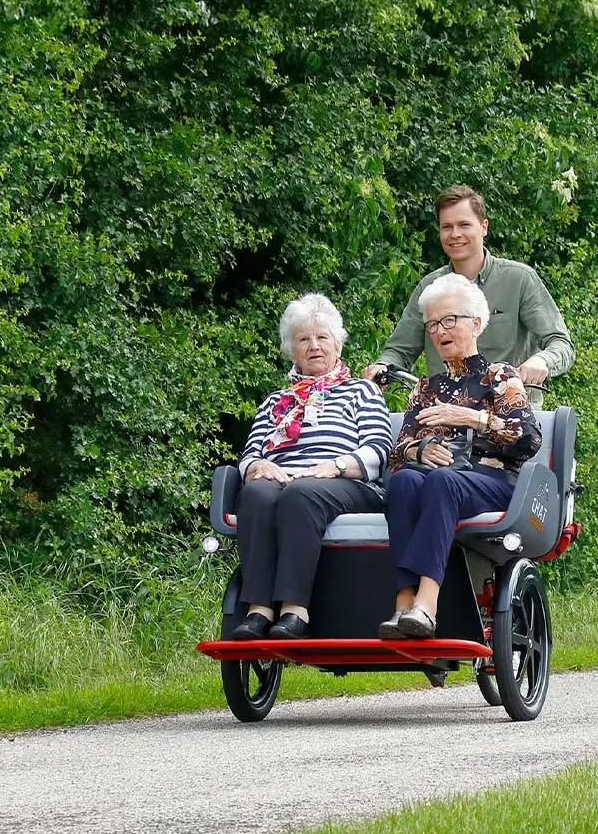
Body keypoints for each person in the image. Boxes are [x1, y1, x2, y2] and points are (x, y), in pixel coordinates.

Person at [378, 273, 542, 639]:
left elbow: (528, 438)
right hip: (440, 484)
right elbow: (396, 455)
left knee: (441, 481)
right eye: (433, 324)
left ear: (478, 323)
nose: (440, 331)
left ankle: (427, 604)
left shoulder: (500, 376)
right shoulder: (425, 387)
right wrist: (421, 449)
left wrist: (472, 418)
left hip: (494, 482)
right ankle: (404, 601)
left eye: (450, 320)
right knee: (405, 480)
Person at [232, 293, 393, 641]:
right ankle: (258, 610)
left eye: (322, 338)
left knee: (302, 493)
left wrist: (333, 466)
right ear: (293, 351)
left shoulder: (361, 392)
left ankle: (294, 609)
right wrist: (258, 466)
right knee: (257, 493)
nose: (314, 346)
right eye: (304, 339)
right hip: (284, 479)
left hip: (346, 483)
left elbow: (379, 450)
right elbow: (250, 455)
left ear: (337, 344)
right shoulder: (277, 401)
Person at [363, 184, 574, 407]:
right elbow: (399, 350)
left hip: (508, 416)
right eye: (447, 227)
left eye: (464, 225)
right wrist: (382, 367)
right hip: (444, 416)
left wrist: (541, 360)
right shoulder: (430, 288)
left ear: (484, 227)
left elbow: (561, 344)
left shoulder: (519, 279)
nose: (455, 234)